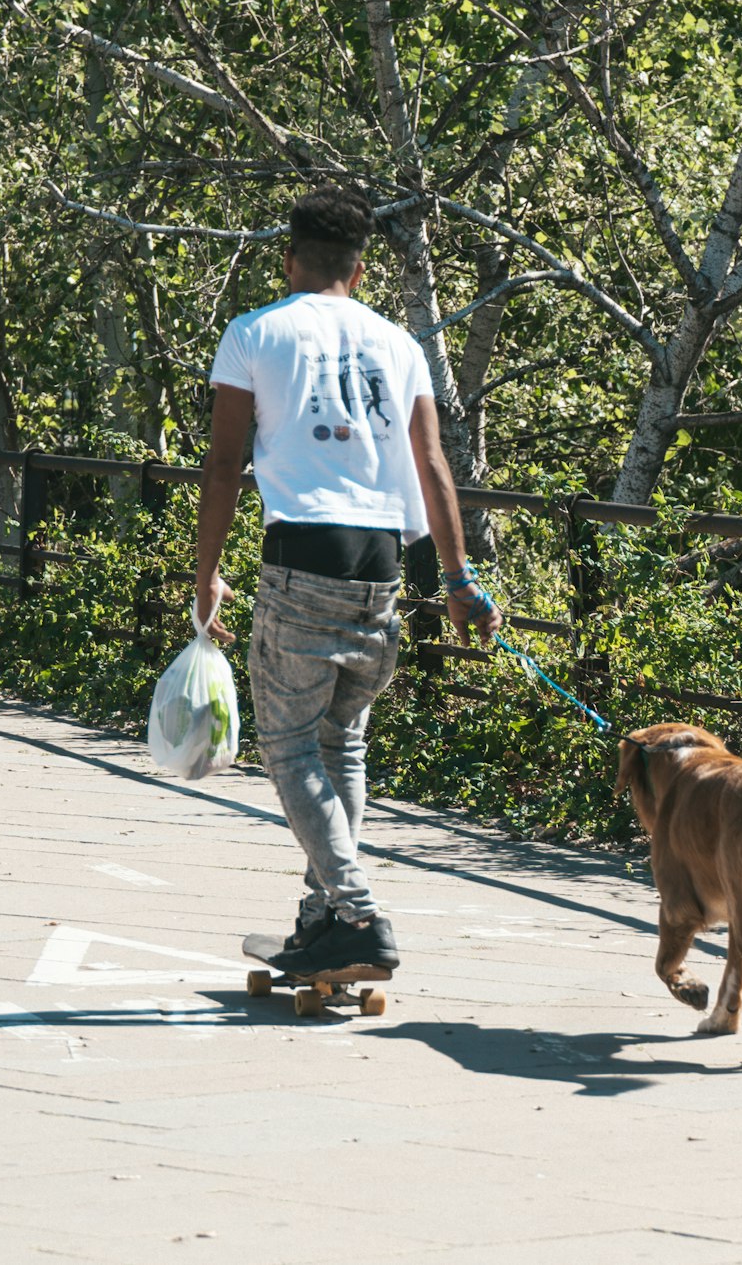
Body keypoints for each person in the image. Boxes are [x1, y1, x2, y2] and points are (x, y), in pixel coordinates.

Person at [195, 185, 502, 978]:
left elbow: (226, 465)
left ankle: (358, 910)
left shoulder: (253, 334)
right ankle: (322, 916)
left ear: (289, 258)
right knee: (345, 743)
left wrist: (208, 577)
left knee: (291, 749)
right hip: (382, 565)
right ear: (360, 271)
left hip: (302, 556)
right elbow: (433, 465)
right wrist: (461, 579)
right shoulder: (400, 344)